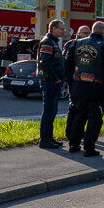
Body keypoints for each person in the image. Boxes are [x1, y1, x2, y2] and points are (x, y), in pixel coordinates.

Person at [64, 21, 104, 156]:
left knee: (78, 117)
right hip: (97, 89)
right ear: (103, 30)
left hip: (78, 86)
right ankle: (89, 148)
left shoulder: (75, 44)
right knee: (94, 120)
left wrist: (71, 85)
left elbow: (68, 67)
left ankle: (74, 144)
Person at [37, 20, 66, 149]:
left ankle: (49, 138)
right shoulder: (47, 42)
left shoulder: (53, 42)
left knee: (52, 110)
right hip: (49, 81)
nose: (64, 31)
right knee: (48, 111)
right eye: (61, 28)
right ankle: (44, 140)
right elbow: (44, 63)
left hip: (53, 81)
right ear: (53, 29)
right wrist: (55, 78)